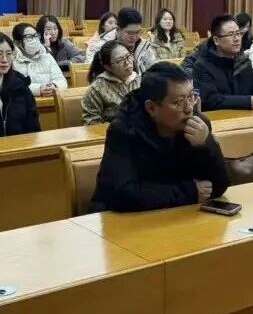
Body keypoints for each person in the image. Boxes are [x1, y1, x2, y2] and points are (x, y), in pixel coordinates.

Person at [91, 62, 230, 213]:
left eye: (191, 96)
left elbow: (218, 186)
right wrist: (189, 192)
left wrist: (206, 145)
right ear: (151, 108)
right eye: (178, 102)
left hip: (177, 215)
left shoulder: (198, 126)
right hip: (125, 220)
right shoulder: (124, 131)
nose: (189, 108)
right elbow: (123, 194)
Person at [191, 14, 253, 111]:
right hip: (218, 118)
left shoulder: (242, 61)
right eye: (231, 34)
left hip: (246, 117)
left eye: (238, 33)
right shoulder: (202, 66)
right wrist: (247, 102)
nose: (237, 39)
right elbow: (211, 100)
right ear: (216, 40)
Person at [81, 40, 140, 125]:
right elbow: (90, 120)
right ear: (108, 67)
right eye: (119, 60)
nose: (127, 62)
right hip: (113, 131)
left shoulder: (140, 80)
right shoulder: (97, 88)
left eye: (128, 56)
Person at [11, 22, 68, 97]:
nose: (35, 40)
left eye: (36, 36)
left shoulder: (46, 55)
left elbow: (61, 79)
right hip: (26, 101)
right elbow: (15, 86)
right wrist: (38, 89)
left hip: (51, 99)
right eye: (29, 37)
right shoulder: (12, 60)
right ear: (17, 43)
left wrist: (54, 86)